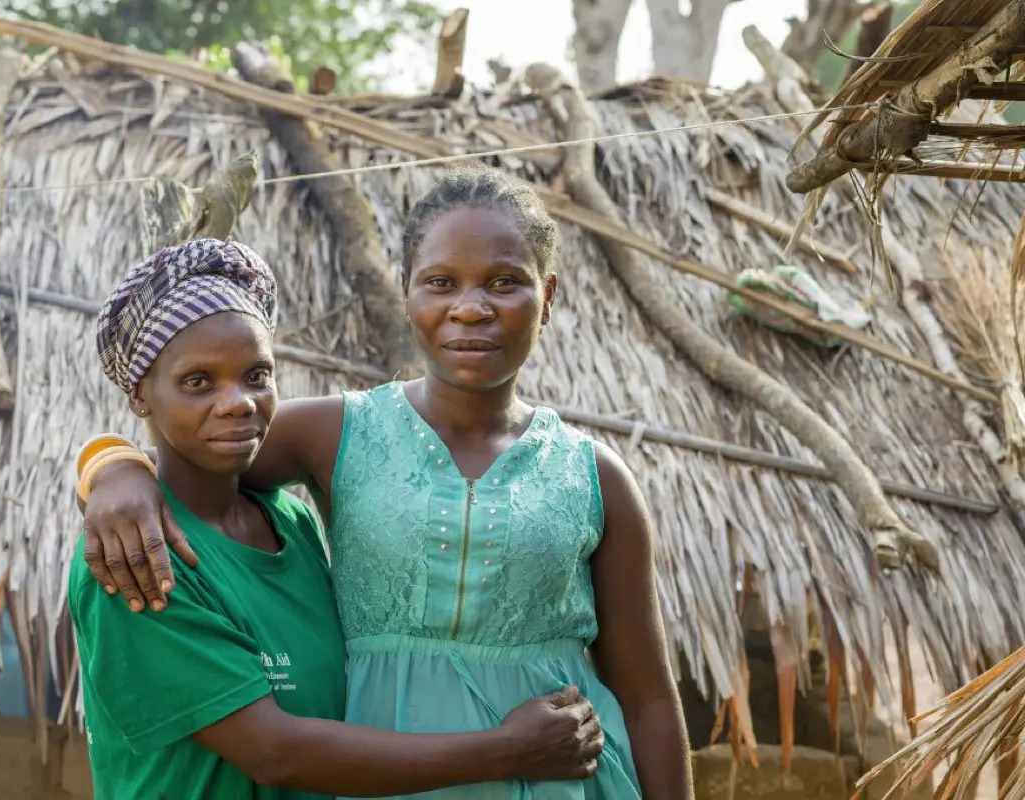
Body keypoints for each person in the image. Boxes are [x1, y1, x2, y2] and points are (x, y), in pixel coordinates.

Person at [79, 171, 694, 799]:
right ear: (406, 293)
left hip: (560, 781)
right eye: (441, 282)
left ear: (550, 295)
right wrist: (110, 466)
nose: (472, 306)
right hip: (378, 779)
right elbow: (194, 450)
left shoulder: (595, 476)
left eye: (505, 282)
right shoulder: (334, 433)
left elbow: (648, 699)